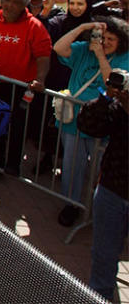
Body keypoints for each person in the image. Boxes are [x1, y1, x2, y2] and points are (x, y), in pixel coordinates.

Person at [52, 17, 129, 226]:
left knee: (97, 169)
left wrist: (101, 55)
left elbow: (112, 84)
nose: (105, 42)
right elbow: (59, 48)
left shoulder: (124, 58)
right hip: (74, 121)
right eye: (102, 37)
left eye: (111, 39)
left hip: (104, 123)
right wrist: (83, 27)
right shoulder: (84, 49)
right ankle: (72, 204)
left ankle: (96, 206)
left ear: (121, 41)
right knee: (72, 165)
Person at [0, 0, 52, 181]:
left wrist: (40, 78)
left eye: (16, 2)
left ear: (24, 6)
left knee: (18, 126)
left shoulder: (34, 26)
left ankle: (12, 163)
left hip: (21, 88)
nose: (10, 6)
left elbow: (43, 56)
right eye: (7, 1)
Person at [76, 68, 129, 301]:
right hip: (113, 190)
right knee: (103, 258)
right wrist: (107, 98)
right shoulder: (122, 104)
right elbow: (88, 125)